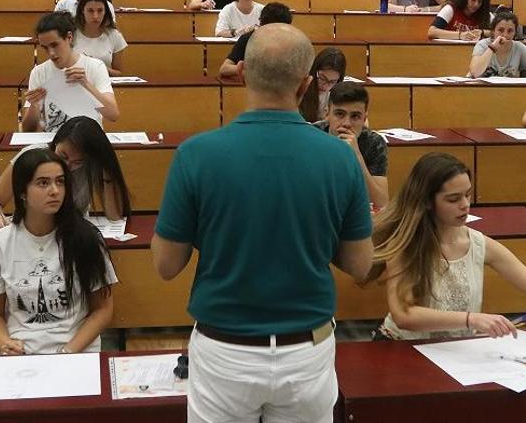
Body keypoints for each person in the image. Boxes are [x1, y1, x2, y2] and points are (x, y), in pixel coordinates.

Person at [151, 23, 378, 423]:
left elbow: (166, 266)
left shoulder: (195, 155)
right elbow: (360, 265)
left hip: (225, 348)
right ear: (307, 85)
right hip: (306, 348)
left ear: (240, 74)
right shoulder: (340, 158)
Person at [373, 152, 526, 370]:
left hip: (454, 354)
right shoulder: (406, 244)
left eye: (468, 195)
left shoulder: (478, 243)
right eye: (453, 199)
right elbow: (404, 315)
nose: (465, 205)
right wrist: (471, 319)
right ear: (426, 201)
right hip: (403, 351)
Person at [0, 148, 118, 355]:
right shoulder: (0, 243)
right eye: (43, 183)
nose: (55, 191)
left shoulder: (86, 238)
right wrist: (5, 342)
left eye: (60, 182)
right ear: (22, 192)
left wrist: (69, 351)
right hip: (20, 352)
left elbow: (103, 309)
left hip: (76, 351)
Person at [0, 117, 129, 229]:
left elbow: (114, 215)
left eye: (78, 162)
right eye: (63, 156)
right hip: (33, 231)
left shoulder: (91, 166)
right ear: (56, 142)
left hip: (73, 233)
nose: (68, 165)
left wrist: (106, 171)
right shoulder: (30, 157)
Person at [23, 12, 117, 132]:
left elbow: (113, 115)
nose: (51, 53)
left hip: (88, 140)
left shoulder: (95, 66)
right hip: (54, 142)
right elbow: (27, 130)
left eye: (55, 45)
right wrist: (35, 105)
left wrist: (86, 84)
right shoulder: (39, 72)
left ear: (69, 37)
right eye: (45, 48)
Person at [314, 82, 389, 209]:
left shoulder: (374, 143)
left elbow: (381, 202)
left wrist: (357, 156)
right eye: (339, 114)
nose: (347, 123)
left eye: (355, 116)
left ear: (364, 118)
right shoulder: (313, 135)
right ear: (327, 114)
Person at [469, 11, 526, 80]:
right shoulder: (482, 45)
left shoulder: (519, 48)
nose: (505, 35)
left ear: (515, 32)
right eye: (500, 30)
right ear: (493, 31)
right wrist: (493, 47)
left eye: (510, 31)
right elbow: (475, 72)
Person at [218, 1, 291, 79]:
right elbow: (224, 69)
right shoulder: (248, 38)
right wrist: (249, 71)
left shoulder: (292, 41)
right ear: (262, 23)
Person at [73, 0, 127, 76]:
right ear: (82, 10)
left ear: (105, 11)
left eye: (100, 10)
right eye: (90, 11)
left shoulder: (114, 36)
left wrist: (101, 68)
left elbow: (119, 73)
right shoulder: (70, 34)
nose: (95, 16)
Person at [299, 47, 346, 123]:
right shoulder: (301, 87)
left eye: (332, 82)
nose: (325, 86)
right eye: (322, 78)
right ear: (314, 71)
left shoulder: (337, 94)